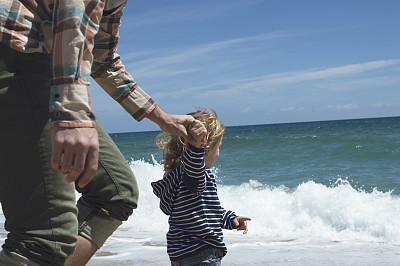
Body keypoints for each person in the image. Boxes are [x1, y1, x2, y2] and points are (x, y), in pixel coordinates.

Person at [0, 0, 198, 265]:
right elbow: (72, 15)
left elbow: (102, 60)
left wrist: (161, 117)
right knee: (46, 237)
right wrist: (72, 112)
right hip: (16, 50)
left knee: (116, 192)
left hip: (42, 61)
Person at [152, 109, 251, 265]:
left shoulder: (174, 178)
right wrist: (196, 145)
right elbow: (194, 167)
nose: (218, 153)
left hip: (180, 256)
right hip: (202, 252)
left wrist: (232, 219)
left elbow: (209, 212)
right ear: (205, 148)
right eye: (218, 147)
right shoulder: (195, 175)